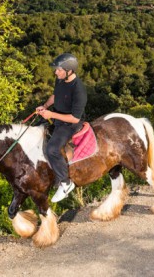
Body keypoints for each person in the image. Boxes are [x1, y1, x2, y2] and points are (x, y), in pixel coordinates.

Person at [36, 53, 88, 203]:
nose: (55, 72)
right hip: (57, 117)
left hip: (70, 124)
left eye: (59, 70)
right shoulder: (60, 80)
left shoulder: (79, 90)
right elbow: (55, 95)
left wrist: (51, 114)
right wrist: (45, 106)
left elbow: (75, 118)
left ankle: (65, 183)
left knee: (51, 149)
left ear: (69, 70)